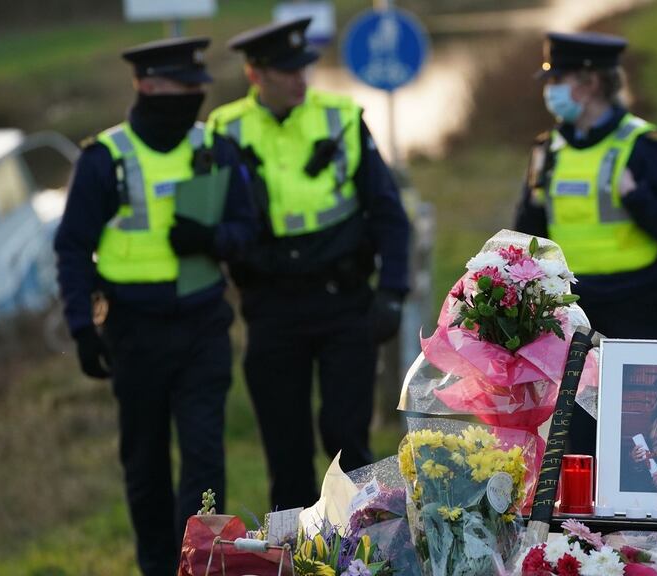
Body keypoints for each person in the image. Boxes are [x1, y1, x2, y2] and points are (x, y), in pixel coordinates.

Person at [53, 37, 258, 576]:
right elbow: (72, 247)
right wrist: (81, 329)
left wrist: (212, 240)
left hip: (202, 328)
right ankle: (154, 566)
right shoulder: (105, 159)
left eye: (198, 87)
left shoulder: (212, 146)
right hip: (133, 333)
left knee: (205, 465)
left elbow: (247, 228)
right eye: (180, 86)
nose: (192, 96)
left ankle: (202, 567)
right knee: (144, 466)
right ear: (145, 84)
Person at [207, 18, 411, 510]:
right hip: (271, 306)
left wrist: (393, 291)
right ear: (255, 74)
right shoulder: (224, 129)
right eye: (286, 71)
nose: (301, 79)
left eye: (304, 67)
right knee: (286, 450)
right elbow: (217, 222)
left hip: (342, 302)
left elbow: (387, 211)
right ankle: (295, 554)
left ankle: (366, 550)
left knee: (347, 442)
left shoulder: (340, 116)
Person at [513, 31, 657, 456]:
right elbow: (525, 238)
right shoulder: (548, 150)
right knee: (576, 438)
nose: (550, 91)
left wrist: (637, 196)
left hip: (637, 308)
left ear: (590, 82)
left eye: (558, 80)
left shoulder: (644, 145)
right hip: (573, 312)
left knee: (644, 429)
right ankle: (582, 526)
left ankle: (641, 523)